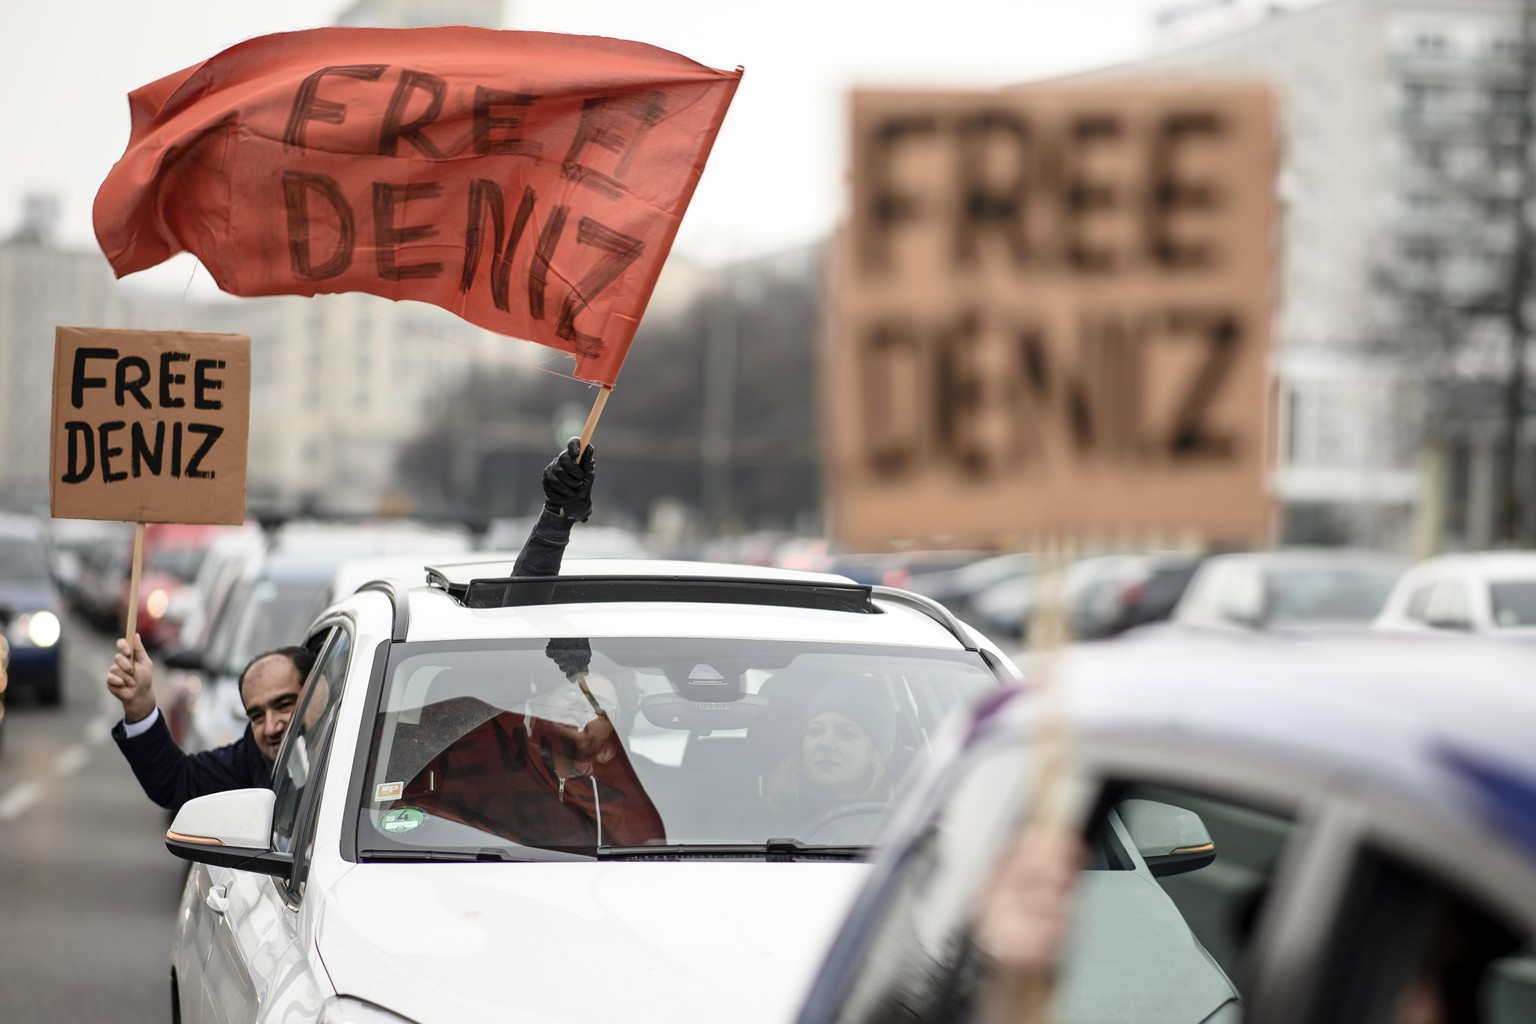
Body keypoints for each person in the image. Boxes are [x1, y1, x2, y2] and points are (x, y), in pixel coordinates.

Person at [106, 439, 598, 814]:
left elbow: (511, 634)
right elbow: (174, 784)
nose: (273, 725)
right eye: (257, 715)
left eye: (285, 704)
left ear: (320, 687)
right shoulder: (257, 760)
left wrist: (554, 520)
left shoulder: (398, 736)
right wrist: (140, 705)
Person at [762, 676, 897, 835]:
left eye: (846, 734)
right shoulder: (748, 817)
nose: (825, 743)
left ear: (874, 754)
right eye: (815, 731)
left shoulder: (901, 831)